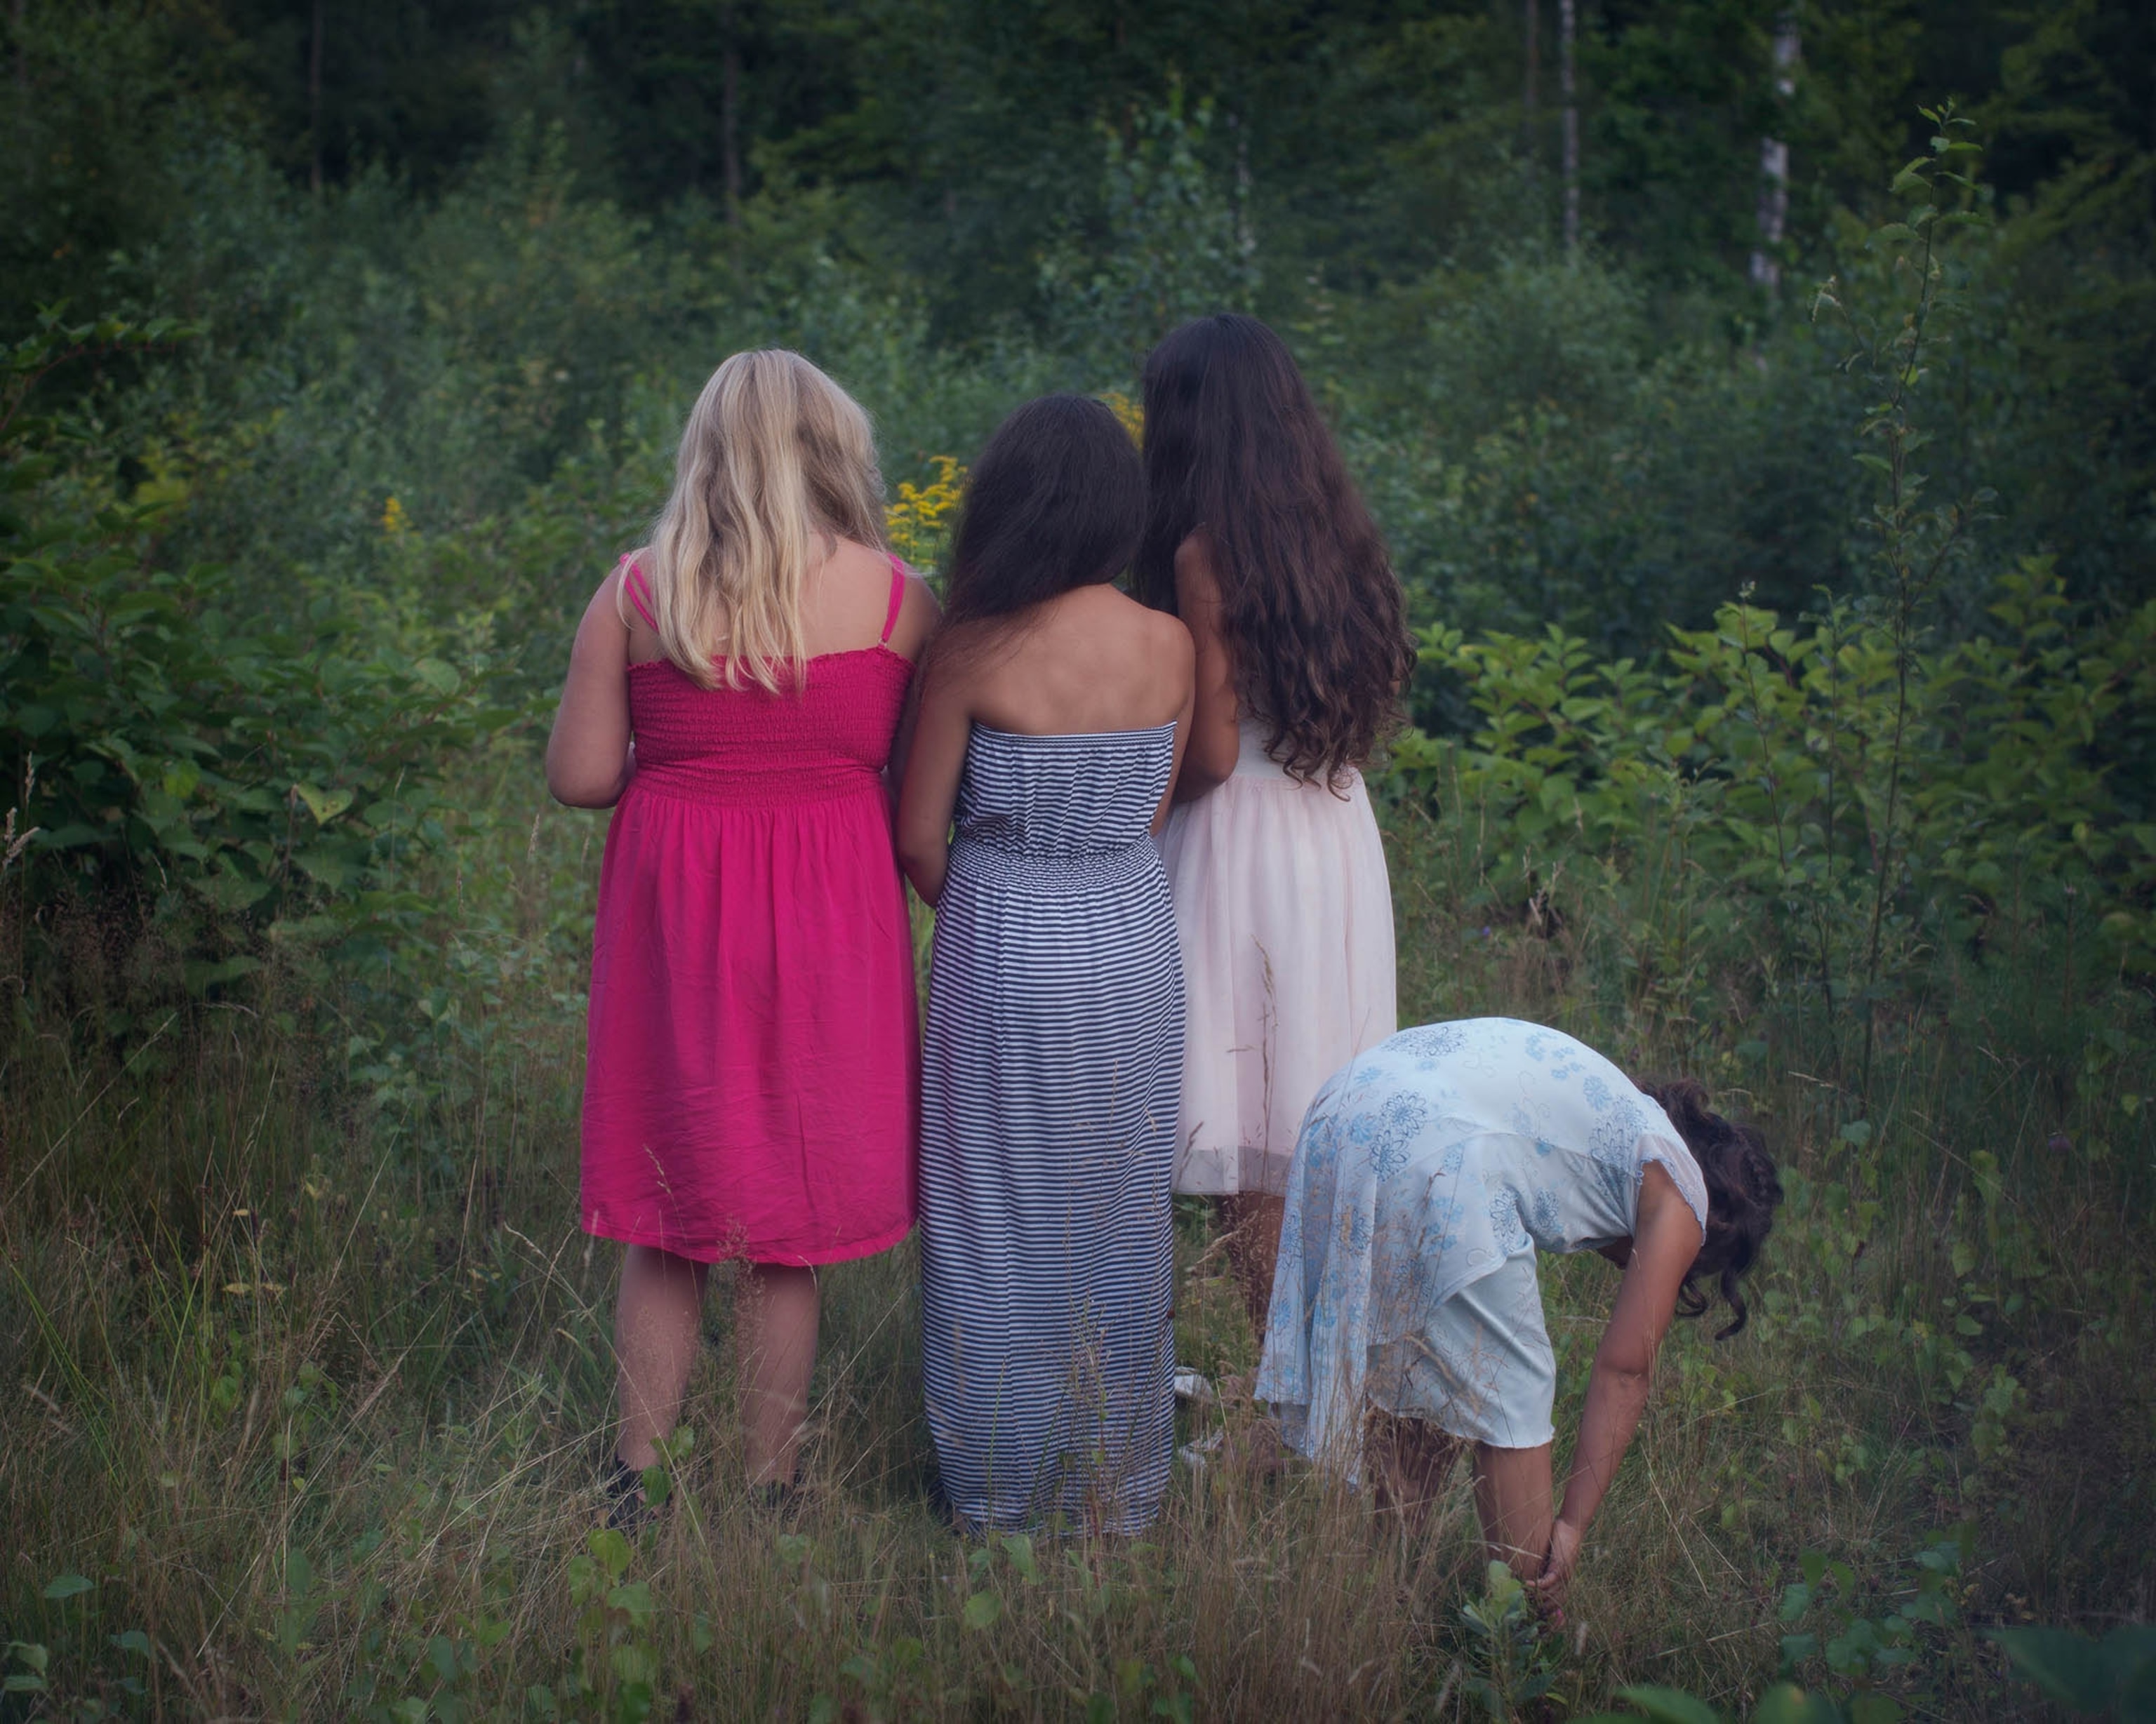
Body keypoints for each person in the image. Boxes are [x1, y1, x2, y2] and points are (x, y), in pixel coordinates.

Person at [545, 348, 936, 1521]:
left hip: (681, 928)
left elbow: (577, 778)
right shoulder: (899, 598)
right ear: (832, 450)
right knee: (791, 1221)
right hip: (831, 922)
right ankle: (771, 1484)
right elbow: (927, 787)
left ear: (705, 450)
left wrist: (686, 746)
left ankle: (634, 1480)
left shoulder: (634, 591)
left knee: (667, 1209)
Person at [897, 394, 1196, 1535]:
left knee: (988, 1212)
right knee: (1116, 1211)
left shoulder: (973, 646)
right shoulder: (1169, 643)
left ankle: (998, 1484)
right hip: (1128, 940)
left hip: (1005, 940)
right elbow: (1150, 812)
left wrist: (988, 906)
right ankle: (1111, 1484)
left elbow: (920, 834)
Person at [1256, 1017, 1783, 1607]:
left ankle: (1382, 1592)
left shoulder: (1622, 1110)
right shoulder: (1688, 1194)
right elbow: (1625, 1370)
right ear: (1714, 1235)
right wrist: (1574, 1525)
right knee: (1517, 1388)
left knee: (1420, 1363)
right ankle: (1524, 1622)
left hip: (1344, 1107)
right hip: (1436, 1144)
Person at [1134, 312, 1416, 1332]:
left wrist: (1130, 799)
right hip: (1332, 831)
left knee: (1245, 1132)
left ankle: (1293, 1396)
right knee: (1305, 1119)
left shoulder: (1205, 553)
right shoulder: (1336, 538)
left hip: (1238, 836)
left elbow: (1210, 752)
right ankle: (1312, 1383)